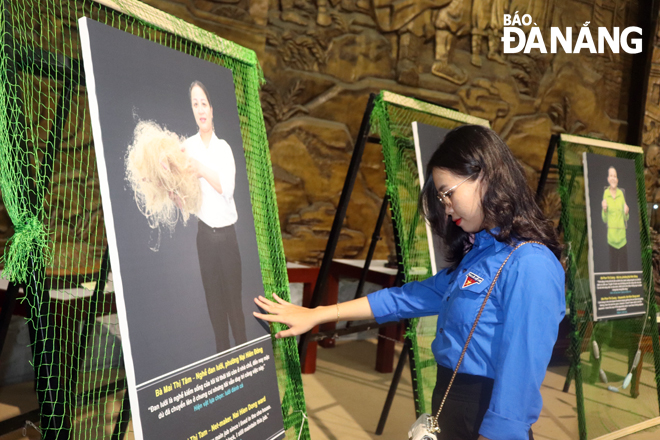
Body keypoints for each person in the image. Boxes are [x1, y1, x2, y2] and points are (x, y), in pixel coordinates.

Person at [254, 125, 565, 440]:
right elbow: (406, 298)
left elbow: (520, 377)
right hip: (451, 403)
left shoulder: (531, 264)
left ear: (483, 176)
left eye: (448, 193)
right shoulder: (480, 252)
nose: (445, 206)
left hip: (483, 417)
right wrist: (317, 314)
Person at [185, 80, 247, 353]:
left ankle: (243, 355)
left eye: (203, 103)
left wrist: (200, 168)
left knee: (233, 300)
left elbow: (226, 188)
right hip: (204, 237)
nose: (200, 109)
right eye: (195, 104)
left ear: (212, 108)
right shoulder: (186, 147)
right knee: (214, 301)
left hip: (227, 237)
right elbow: (185, 197)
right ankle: (223, 354)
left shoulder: (224, 149)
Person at [601, 166, 629, 272]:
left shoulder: (621, 194)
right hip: (612, 239)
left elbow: (626, 218)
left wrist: (626, 212)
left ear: (617, 179)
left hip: (622, 239)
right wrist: (604, 210)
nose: (613, 178)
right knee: (612, 270)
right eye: (611, 175)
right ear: (608, 178)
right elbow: (604, 219)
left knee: (624, 270)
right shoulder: (606, 194)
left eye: (615, 176)